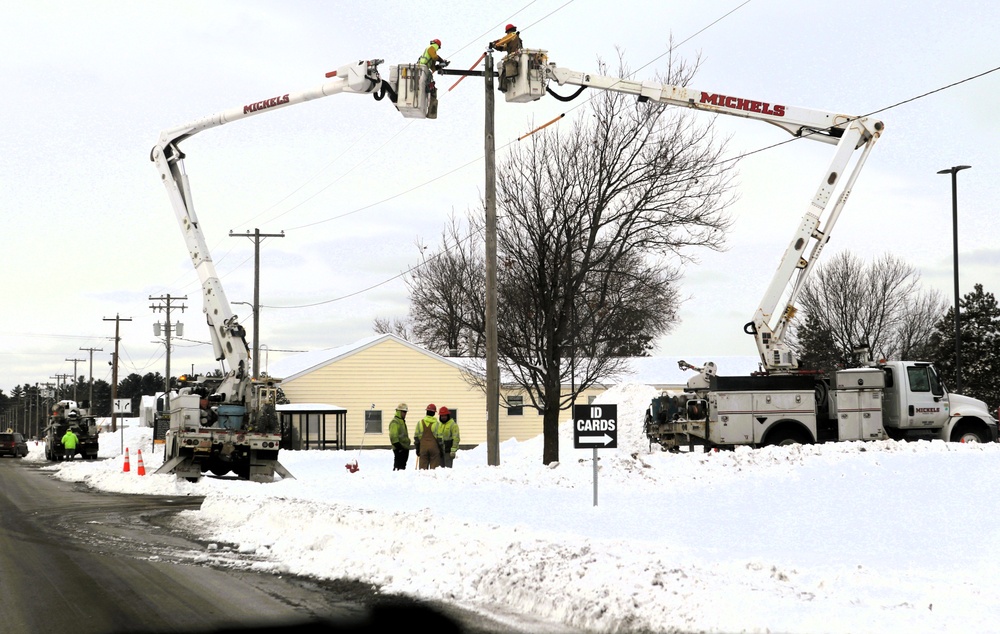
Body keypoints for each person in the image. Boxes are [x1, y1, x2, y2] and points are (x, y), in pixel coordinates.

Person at [417, 39, 449, 119]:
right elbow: (435, 57)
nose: (437, 49)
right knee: (430, 87)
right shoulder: (431, 48)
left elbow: (433, 68)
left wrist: (441, 65)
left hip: (424, 70)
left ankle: (430, 111)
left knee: (431, 88)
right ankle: (431, 112)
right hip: (422, 69)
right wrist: (441, 60)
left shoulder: (430, 55)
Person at [490, 24, 523, 92]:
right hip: (518, 57)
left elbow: (502, 41)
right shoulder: (515, 38)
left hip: (514, 57)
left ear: (509, 31)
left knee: (504, 71)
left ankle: (503, 87)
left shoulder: (512, 36)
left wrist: (494, 44)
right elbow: (503, 47)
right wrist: (496, 46)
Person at [415, 404, 441, 470]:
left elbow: (416, 437)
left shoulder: (420, 423)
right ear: (434, 413)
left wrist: (417, 449)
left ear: (426, 412)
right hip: (434, 449)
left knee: (423, 470)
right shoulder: (437, 424)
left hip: (423, 448)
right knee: (434, 470)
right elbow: (440, 438)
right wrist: (441, 449)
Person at [389, 403, 411, 471]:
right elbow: (393, 436)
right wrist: (399, 447)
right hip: (399, 449)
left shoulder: (401, 421)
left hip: (404, 448)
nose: (405, 414)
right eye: (404, 412)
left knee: (402, 467)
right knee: (398, 467)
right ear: (399, 412)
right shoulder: (395, 422)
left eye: (405, 412)